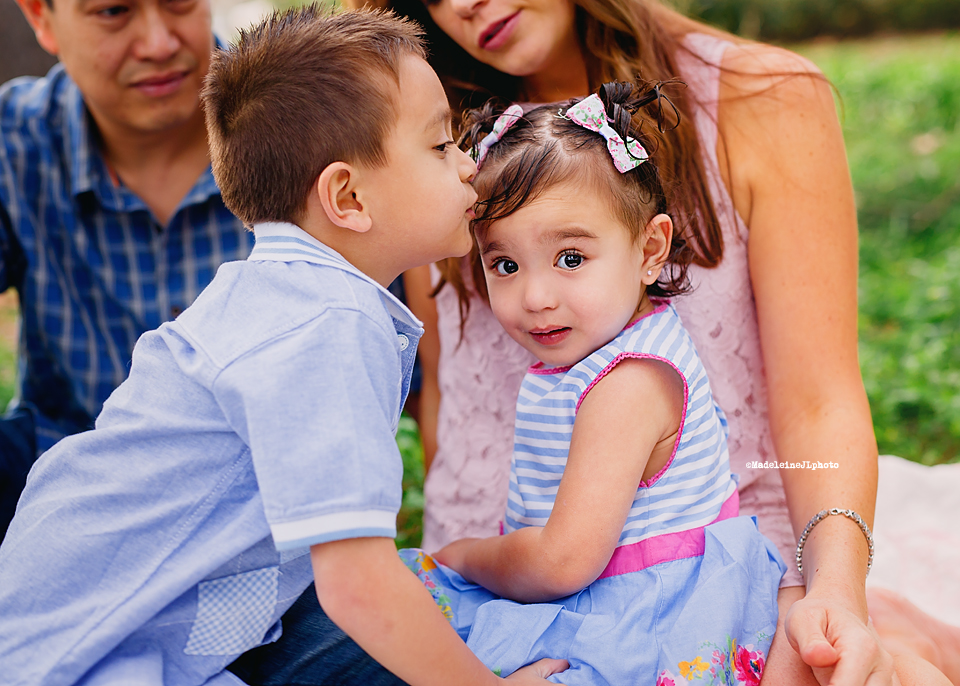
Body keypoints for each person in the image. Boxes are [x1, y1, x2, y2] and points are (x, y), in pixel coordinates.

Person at [344, 0, 960, 684]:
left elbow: (818, 403)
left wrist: (835, 592)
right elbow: (451, 395)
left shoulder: (763, 100)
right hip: (497, 594)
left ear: (652, 248)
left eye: (572, 258)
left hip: (700, 590)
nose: (463, 4)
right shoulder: (426, 142)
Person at [0, 8, 567, 686]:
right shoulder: (322, 325)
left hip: (135, 627)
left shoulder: (283, 293)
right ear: (347, 196)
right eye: (441, 146)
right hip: (81, 655)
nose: (469, 167)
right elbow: (357, 584)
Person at [399, 84, 787, 684]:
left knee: (425, 615)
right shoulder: (602, 353)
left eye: (571, 258)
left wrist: (465, 555)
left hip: (651, 616)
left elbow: (562, 561)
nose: (536, 296)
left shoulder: (628, 384)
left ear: (650, 249)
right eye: (505, 264)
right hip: (606, 594)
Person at [0, 0, 252, 539]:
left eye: (180, 3)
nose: (159, 43)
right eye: (113, 11)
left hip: (259, 512)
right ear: (41, 19)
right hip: (62, 495)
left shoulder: (308, 130)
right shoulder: (14, 144)